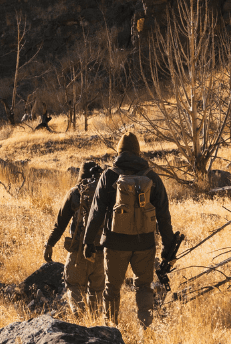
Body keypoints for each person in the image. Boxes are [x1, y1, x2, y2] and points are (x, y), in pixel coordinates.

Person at [84, 132, 175, 328]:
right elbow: (164, 217)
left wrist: (88, 242)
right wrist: (168, 249)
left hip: (115, 244)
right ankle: (145, 328)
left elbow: (97, 212)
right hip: (145, 245)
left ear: (119, 152)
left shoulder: (108, 176)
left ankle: (111, 331)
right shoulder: (152, 178)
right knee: (143, 287)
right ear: (138, 152)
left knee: (112, 289)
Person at [42, 161, 105, 315]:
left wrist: (49, 244)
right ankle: (95, 326)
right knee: (97, 291)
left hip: (79, 251)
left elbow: (60, 223)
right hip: (101, 252)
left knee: (74, 285)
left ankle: (79, 320)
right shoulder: (106, 192)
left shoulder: (75, 192)